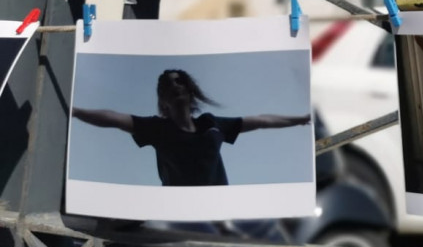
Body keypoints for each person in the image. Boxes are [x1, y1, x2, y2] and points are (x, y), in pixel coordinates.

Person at [71, 69, 311, 187]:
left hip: (218, 206)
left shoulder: (211, 124)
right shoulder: (157, 128)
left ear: (189, 90)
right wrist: (74, 111)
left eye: (179, 81)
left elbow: (260, 121)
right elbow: (111, 118)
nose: (175, 86)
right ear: (163, 99)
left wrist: (300, 119)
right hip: (179, 209)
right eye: (168, 85)